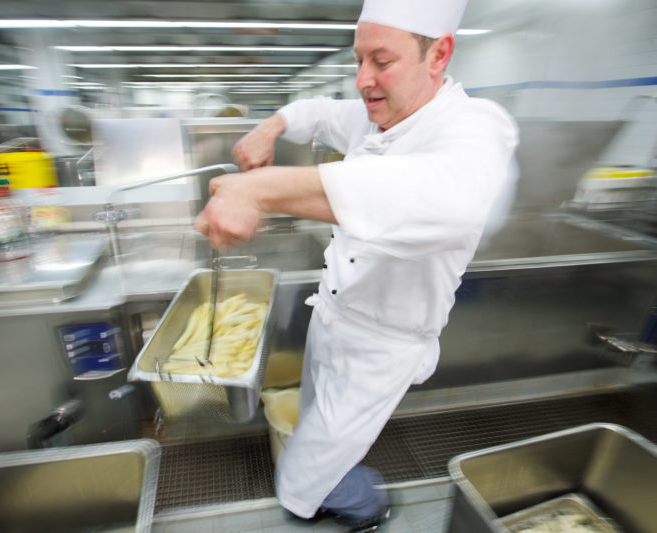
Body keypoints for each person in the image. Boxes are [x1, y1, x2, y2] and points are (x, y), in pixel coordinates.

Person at [194, 0, 519, 530]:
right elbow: (318, 112)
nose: (363, 79)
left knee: (313, 459)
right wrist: (271, 127)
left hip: (383, 344)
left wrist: (260, 191)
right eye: (358, 59)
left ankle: (350, 507)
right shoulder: (381, 115)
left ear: (439, 54)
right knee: (317, 421)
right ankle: (336, 479)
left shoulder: (477, 127)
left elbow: (446, 203)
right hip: (335, 316)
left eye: (382, 61)